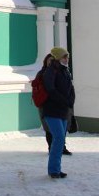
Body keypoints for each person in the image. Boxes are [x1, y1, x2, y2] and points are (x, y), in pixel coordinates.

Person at [43, 46, 75, 179]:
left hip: (63, 110)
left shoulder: (65, 71)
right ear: (57, 58)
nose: (67, 59)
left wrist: (71, 101)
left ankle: (56, 169)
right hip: (52, 110)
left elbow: (71, 88)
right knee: (59, 138)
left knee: (60, 140)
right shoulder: (50, 71)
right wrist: (64, 100)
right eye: (64, 56)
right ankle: (53, 170)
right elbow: (50, 89)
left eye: (67, 57)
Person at [37, 53, 73, 156]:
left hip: (62, 106)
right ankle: (51, 147)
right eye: (49, 60)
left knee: (62, 130)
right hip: (47, 105)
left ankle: (62, 147)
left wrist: (69, 100)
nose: (50, 62)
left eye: (52, 60)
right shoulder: (44, 73)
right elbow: (49, 89)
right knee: (49, 129)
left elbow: (69, 87)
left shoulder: (62, 71)